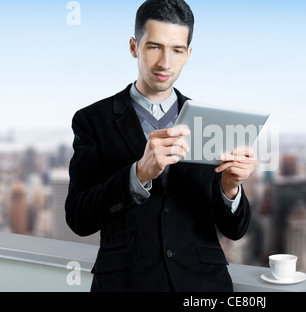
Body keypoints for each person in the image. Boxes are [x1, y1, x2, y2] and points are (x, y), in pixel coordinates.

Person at [65, 0, 256, 292]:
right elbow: (78, 218)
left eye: (177, 50)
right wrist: (138, 174)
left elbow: (235, 230)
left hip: (204, 286)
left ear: (188, 54)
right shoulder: (93, 120)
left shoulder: (210, 122)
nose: (166, 62)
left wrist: (229, 188)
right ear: (134, 47)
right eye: (154, 47)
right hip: (126, 283)